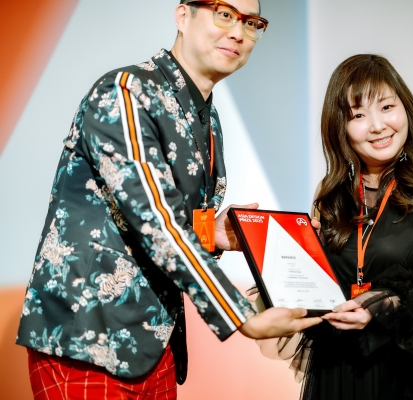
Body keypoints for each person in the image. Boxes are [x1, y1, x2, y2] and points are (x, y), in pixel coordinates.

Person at [16, 0, 321, 398]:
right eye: (224, 14)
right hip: (88, 337)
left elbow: (164, 218)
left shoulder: (207, 117)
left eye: (251, 23)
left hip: (154, 345)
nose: (238, 32)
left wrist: (212, 233)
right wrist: (241, 315)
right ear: (182, 16)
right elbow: (157, 221)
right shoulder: (126, 91)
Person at [296, 54, 413, 399]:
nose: (378, 126)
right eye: (358, 115)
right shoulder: (331, 192)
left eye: (386, 107)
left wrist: (384, 303)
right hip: (340, 368)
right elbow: (318, 286)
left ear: (405, 108)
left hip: (408, 371)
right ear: (340, 126)